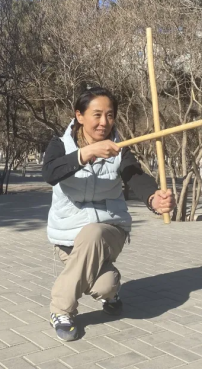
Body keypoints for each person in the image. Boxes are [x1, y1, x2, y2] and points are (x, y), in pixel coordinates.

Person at [42, 87, 175, 341]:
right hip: (67, 237)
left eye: (110, 115)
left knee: (94, 232)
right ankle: (111, 292)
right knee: (105, 283)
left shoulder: (120, 148)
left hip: (109, 230)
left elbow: (133, 175)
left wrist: (153, 198)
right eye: (97, 115)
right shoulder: (60, 145)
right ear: (79, 116)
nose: (104, 122)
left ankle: (60, 310)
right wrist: (86, 154)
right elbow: (50, 173)